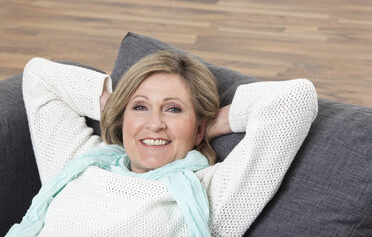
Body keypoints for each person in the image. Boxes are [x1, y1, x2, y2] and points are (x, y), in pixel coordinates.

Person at [7, 50, 318, 236]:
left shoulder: (211, 193)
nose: (155, 123)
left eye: (173, 109)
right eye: (140, 107)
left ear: (198, 129)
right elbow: (39, 75)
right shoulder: (78, 163)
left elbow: (294, 100)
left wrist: (210, 124)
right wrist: (118, 110)